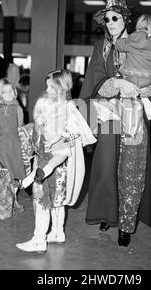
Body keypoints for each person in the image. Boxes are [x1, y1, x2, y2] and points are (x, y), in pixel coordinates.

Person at [79, 0, 151, 247]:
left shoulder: (146, 42)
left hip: (136, 116)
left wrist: (138, 89)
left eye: (115, 17)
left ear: (125, 18)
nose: (110, 22)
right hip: (109, 117)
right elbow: (93, 78)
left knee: (132, 169)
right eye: (106, 18)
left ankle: (126, 224)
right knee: (107, 166)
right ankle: (109, 213)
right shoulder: (101, 47)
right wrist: (116, 84)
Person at [16, 69, 96, 252]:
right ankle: (57, 232)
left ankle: (38, 239)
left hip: (52, 165)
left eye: (51, 86)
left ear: (61, 88)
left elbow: (66, 146)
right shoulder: (58, 106)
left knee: (43, 202)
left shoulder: (66, 111)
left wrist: (44, 165)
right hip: (53, 164)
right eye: (47, 86)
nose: (47, 89)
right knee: (57, 201)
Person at [113, 14, 151, 137]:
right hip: (147, 78)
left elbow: (119, 45)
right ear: (149, 29)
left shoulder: (132, 38)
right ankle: (149, 113)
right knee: (144, 99)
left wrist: (119, 40)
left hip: (129, 75)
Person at [0, 78, 26, 212]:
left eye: (11, 91)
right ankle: (7, 202)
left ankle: (13, 200)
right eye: (5, 92)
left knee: (16, 173)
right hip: (2, 146)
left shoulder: (16, 108)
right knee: (7, 174)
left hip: (15, 144)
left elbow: (20, 126)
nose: (9, 94)